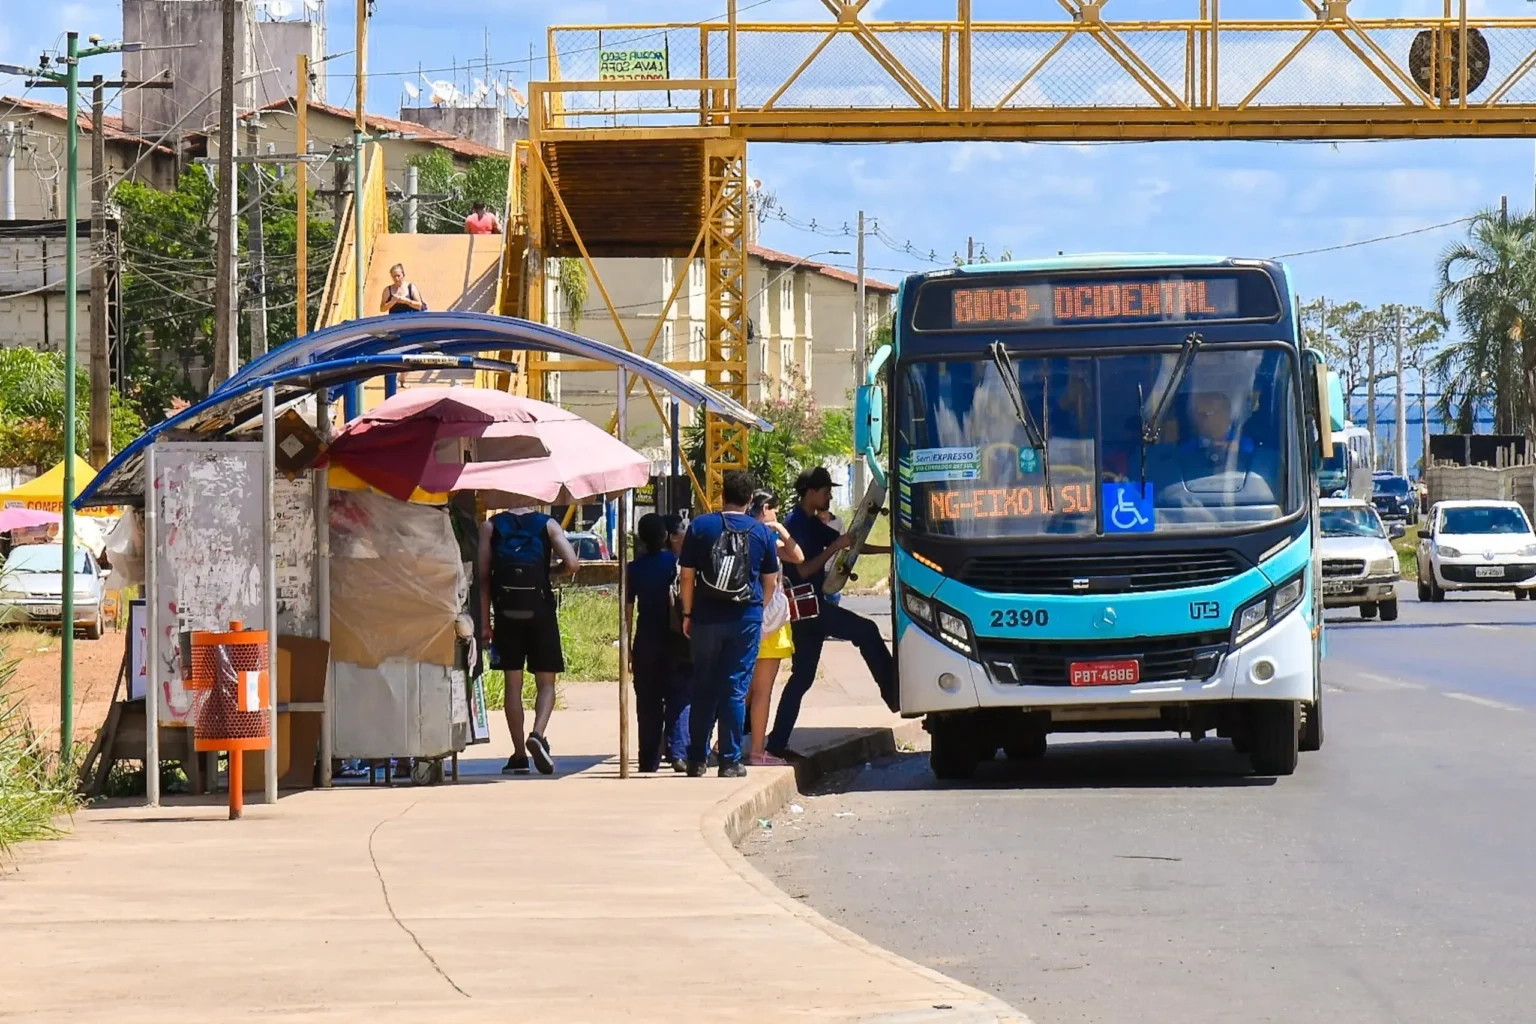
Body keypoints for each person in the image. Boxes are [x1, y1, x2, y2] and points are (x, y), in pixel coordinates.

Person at [767, 467, 896, 756]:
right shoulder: (796, 523)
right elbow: (804, 568)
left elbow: (850, 543)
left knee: (802, 678)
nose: (830, 496)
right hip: (807, 608)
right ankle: (893, 692)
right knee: (867, 631)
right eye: (826, 491)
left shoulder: (810, 520)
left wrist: (890, 550)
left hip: (812, 607)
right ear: (811, 492)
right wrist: (834, 547)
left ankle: (776, 743)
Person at [678, 470, 780, 778]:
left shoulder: (701, 526)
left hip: (706, 619)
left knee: (703, 687)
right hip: (744, 619)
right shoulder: (761, 533)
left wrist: (687, 613)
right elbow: (771, 582)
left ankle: (696, 759)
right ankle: (730, 761)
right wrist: (756, 611)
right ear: (750, 501)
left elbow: (686, 576)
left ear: (722, 496)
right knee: (735, 689)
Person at [479, 505, 580, 775]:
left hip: (506, 614)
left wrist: (485, 623)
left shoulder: (491, 526)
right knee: (546, 682)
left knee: (513, 685)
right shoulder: (547, 525)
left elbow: (483, 578)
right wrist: (552, 572)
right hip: (541, 611)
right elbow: (573, 564)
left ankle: (519, 755)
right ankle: (537, 734)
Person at [625, 514, 691, 773]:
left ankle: (648, 758)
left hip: (646, 640)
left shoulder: (634, 568)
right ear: (665, 536)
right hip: (676, 640)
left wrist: (627, 648)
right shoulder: (675, 563)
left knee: (648, 702)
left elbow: (628, 611)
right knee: (678, 695)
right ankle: (678, 753)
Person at [745, 490, 803, 766]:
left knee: (740, 690)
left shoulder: (740, 533)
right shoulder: (767, 538)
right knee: (762, 692)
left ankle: (723, 744)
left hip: (740, 617)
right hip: (767, 621)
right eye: (775, 511)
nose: (776, 516)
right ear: (765, 508)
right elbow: (798, 556)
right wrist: (779, 529)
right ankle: (757, 750)